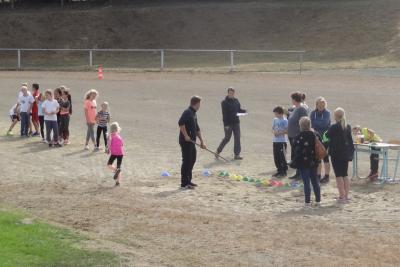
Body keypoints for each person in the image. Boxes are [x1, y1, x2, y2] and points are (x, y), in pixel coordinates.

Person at [291, 117, 321, 207]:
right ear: (309, 125)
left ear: (300, 126)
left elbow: (295, 150)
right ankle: (318, 201)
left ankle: (307, 202)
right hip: (313, 161)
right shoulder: (315, 135)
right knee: (315, 181)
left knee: (306, 182)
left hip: (303, 163)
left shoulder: (298, 137)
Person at [326, 108, 354, 204]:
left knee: (339, 175)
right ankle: (346, 195)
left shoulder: (334, 127)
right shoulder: (348, 126)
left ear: (335, 116)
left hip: (336, 154)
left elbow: (327, 136)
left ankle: (342, 196)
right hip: (345, 154)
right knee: (345, 174)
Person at [178, 96, 206, 189]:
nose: (200, 106)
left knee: (192, 159)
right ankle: (184, 183)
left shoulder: (194, 114)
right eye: (199, 104)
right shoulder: (187, 112)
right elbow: (181, 123)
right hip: (185, 142)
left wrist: (202, 141)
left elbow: (197, 128)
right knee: (186, 161)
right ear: (196, 103)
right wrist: (186, 135)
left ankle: (188, 181)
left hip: (192, 142)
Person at [216, 87, 247, 160]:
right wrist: (225, 125)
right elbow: (224, 114)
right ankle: (218, 151)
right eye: (230, 93)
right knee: (227, 138)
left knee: (237, 138)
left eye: (232, 93)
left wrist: (245, 112)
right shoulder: (224, 102)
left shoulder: (236, 101)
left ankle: (237, 155)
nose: (231, 94)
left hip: (236, 123)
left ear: (234, 93)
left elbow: (239, 110)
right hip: (228, 124)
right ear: (228, 93)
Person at [287, 92, 309, 179]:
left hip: (298, 135)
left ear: (295, 99)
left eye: (292, 99)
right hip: (292, 135)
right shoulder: (296, 108)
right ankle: (297, 173)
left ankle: (300, 174)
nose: (291, 100)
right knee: (295, 155)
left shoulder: (301, 109)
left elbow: (305, 122)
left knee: (298, 155)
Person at [310, 97, 331, 183]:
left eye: (323, 104)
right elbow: (312, 123)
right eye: (320, 104)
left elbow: (324, 123)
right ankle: (318, 175)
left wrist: (316, 124)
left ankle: (326, 176)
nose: (322, 106)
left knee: (325, 157)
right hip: (316, 137)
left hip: (325, 138)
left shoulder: (327, 113)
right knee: (317, 157)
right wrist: (317, 125)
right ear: (316, 104)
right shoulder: (312, 113)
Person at [272, 106, 288, 178]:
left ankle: (283, 171)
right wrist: (274, 132)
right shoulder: (275, 120)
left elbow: (287, 131)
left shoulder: (285, 120)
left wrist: (279, 133)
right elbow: (272, 128)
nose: (275, 115)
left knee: (282, 157)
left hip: (282, 141)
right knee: (276, 156)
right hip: (275, 141)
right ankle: (279, 170)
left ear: (280, 113)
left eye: (276, 113)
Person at [107, 122, 124, 186]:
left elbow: (108, 144)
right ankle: (118, 182)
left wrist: (108, 149)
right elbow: (122, 144)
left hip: (114, 153)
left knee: (109, 164)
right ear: (117, 129)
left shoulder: (110, 136)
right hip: (120, 154)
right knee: (118, 167)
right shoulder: (119, 136)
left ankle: (116, 170)